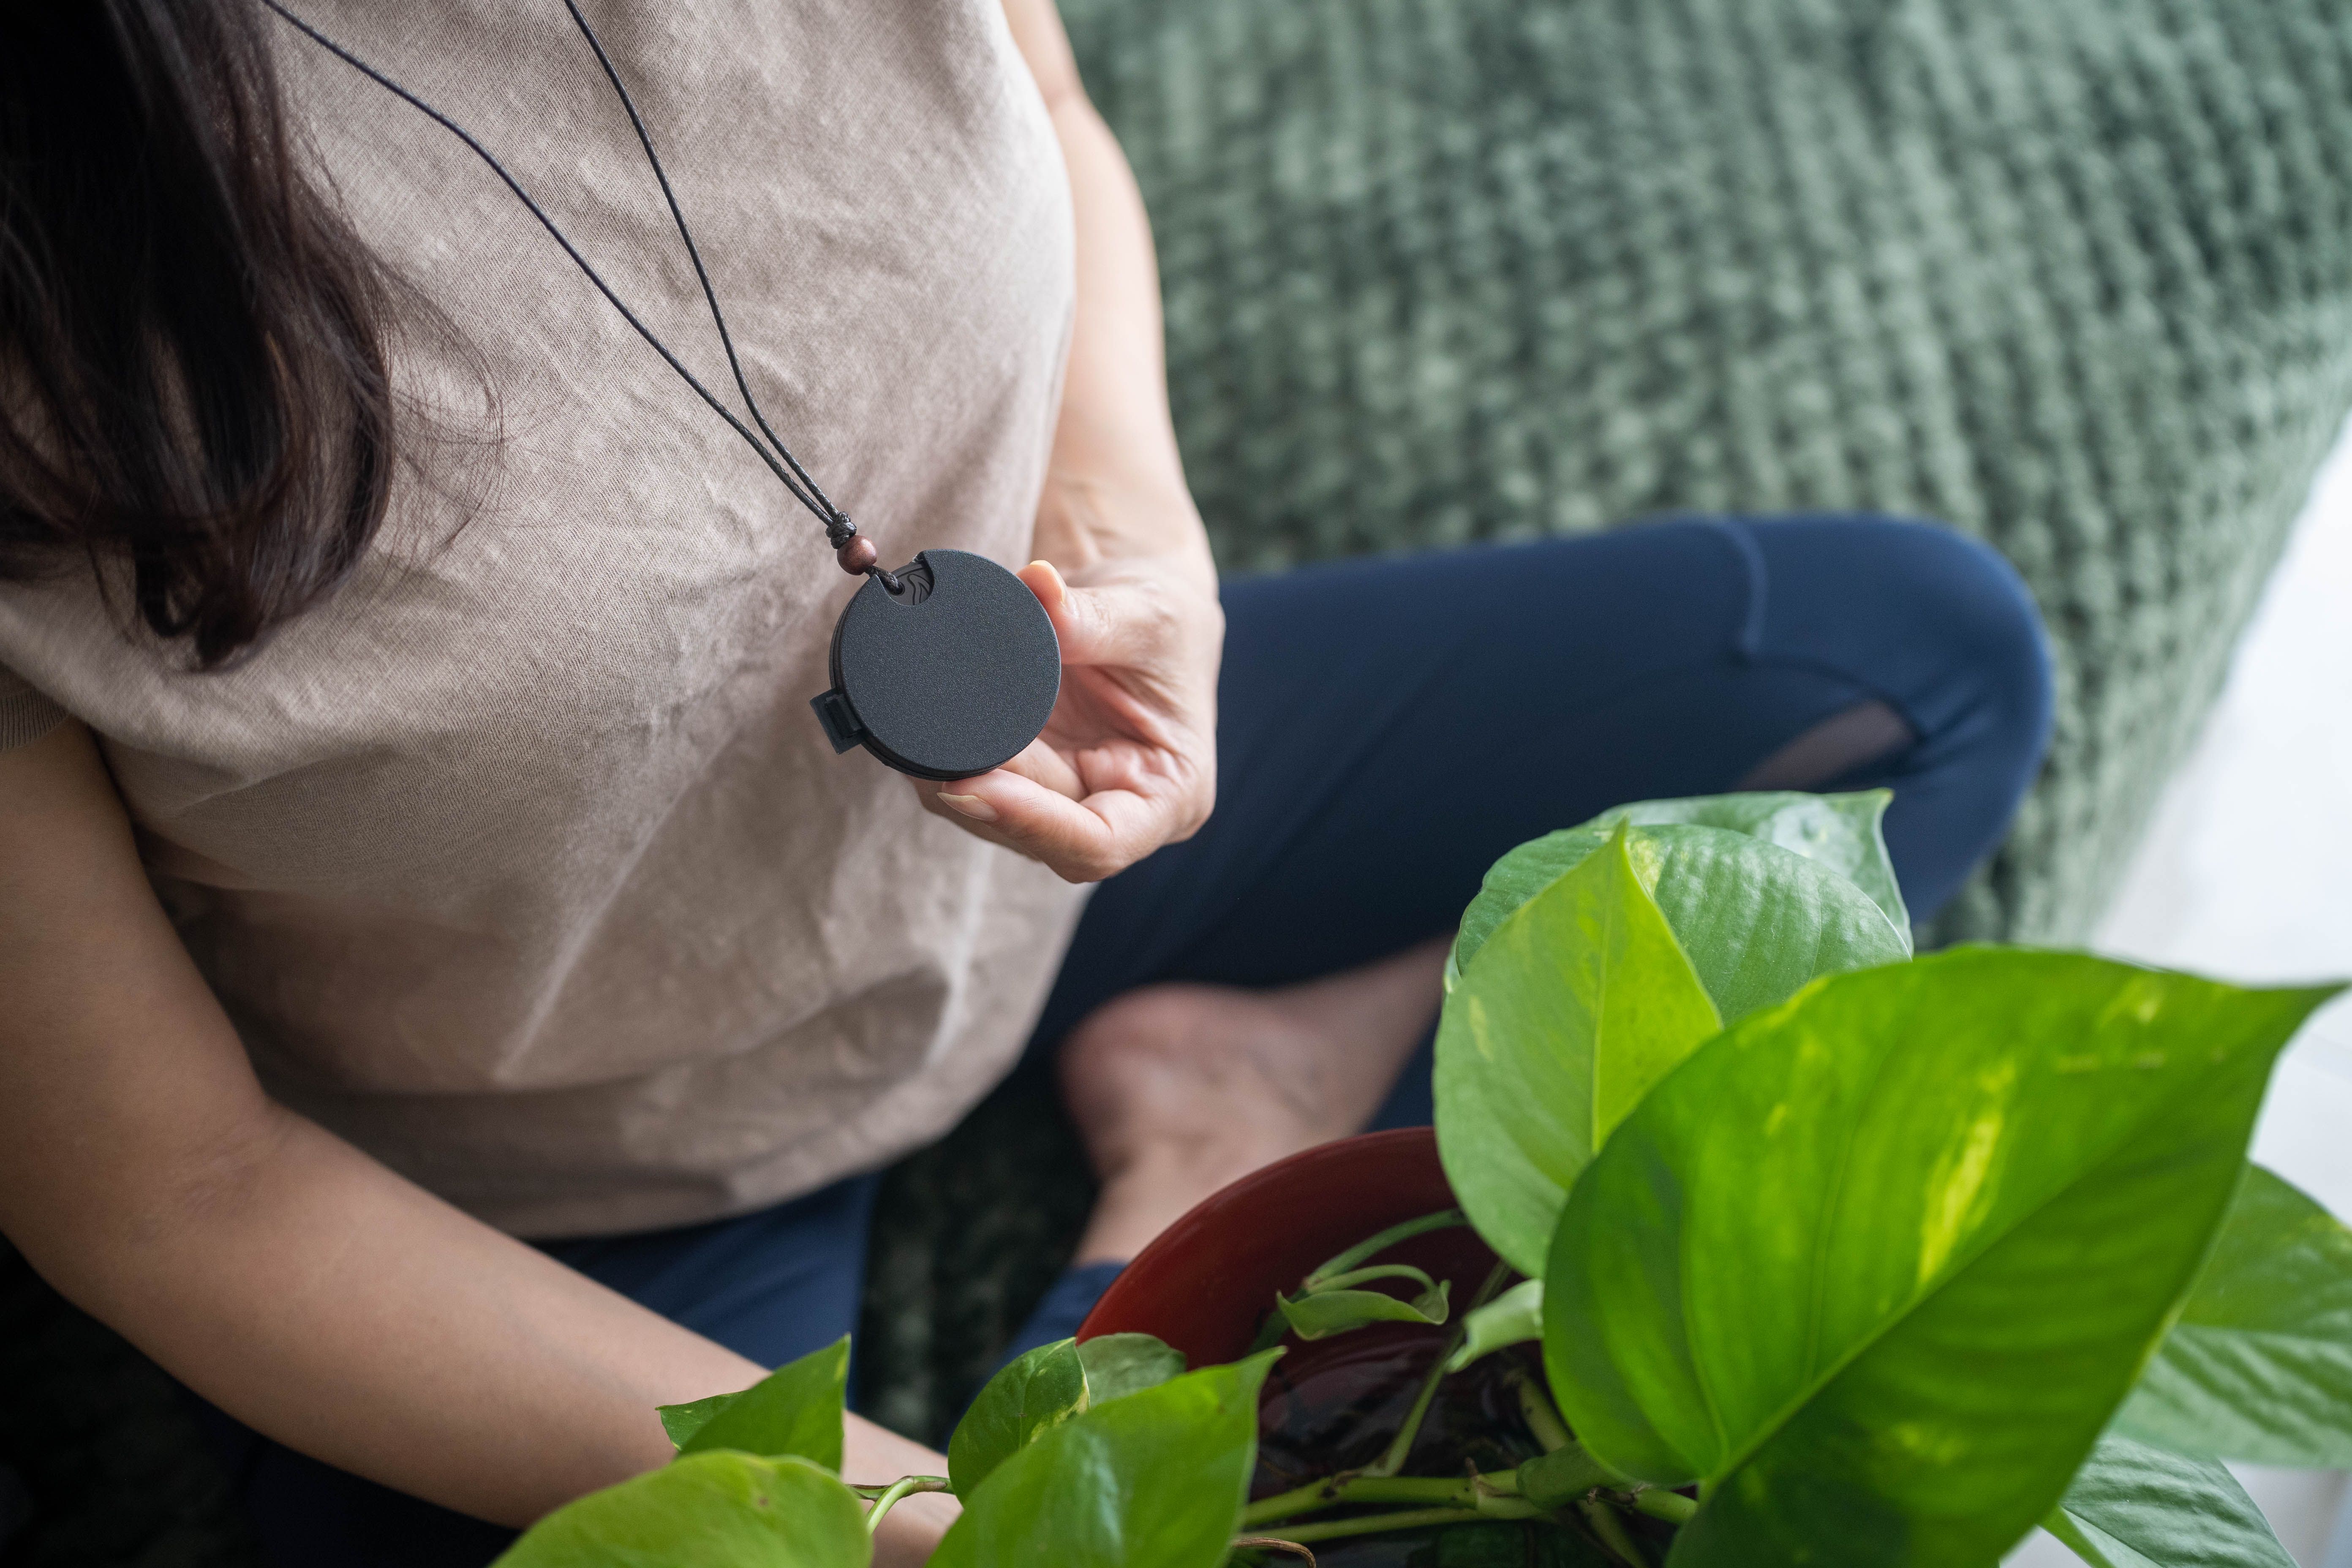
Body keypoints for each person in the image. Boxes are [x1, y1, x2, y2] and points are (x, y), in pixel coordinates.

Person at [0, 1, 2054, 1563]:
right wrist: (948, 1525)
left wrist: (1137, 546)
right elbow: (177, 1191)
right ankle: (1172, 1219)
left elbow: (1051, 119)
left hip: (1021, 870)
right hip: (554, 1188)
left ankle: (1242, 1088)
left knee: (1907, 683)